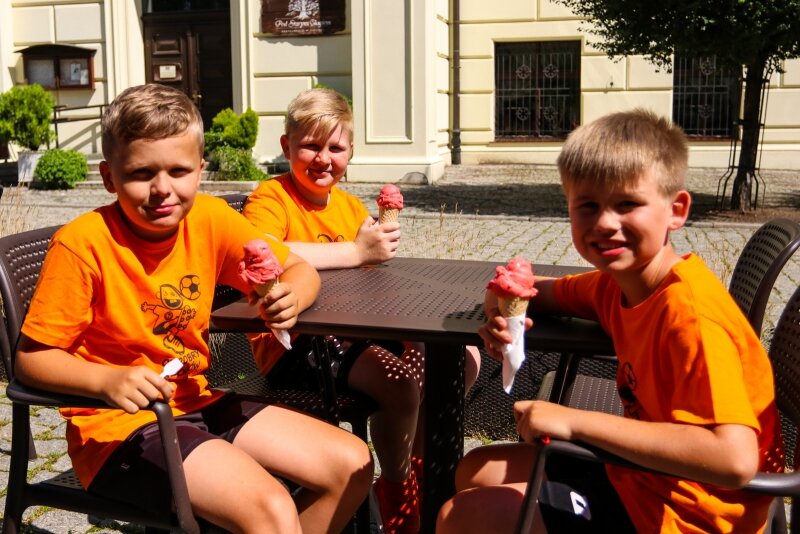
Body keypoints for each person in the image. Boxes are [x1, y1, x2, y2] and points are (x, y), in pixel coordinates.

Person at [14, 83, 374, 534]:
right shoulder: (82, 244)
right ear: (109, 177)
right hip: (120, 429)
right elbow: (31, 360)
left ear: (200, 170)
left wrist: (292, 296)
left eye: (179, 171)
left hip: (200, 397)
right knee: (270, 508)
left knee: (352, 464)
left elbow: (299, 269)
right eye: (141, 173)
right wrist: (106, 380)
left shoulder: (208, 218)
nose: (162, 189)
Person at [436, 109, 784, 533]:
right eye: (587, 206)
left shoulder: (690, 317)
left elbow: (735, 460)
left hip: (689, 513)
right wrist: (500, 314)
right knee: (476, 467)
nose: (604, 223)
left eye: (627, 204)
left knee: (464, 515)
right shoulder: (616, 286)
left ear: (676, 210)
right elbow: (526, 289)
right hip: (641, 474)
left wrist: (572, 420)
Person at [242, 87, 480, 534]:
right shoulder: (271, 199)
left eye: (336, 148)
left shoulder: (350, 206)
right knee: (400, 384)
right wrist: (356, 251)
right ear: (287, 147)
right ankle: (396, 491)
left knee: (463, 359)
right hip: (292, 344)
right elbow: (262, 249)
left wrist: (375, 253)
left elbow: (371, 279)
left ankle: (420, 469)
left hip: (351, 332)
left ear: (351, 152)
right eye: (310, 145)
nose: (323, 159)